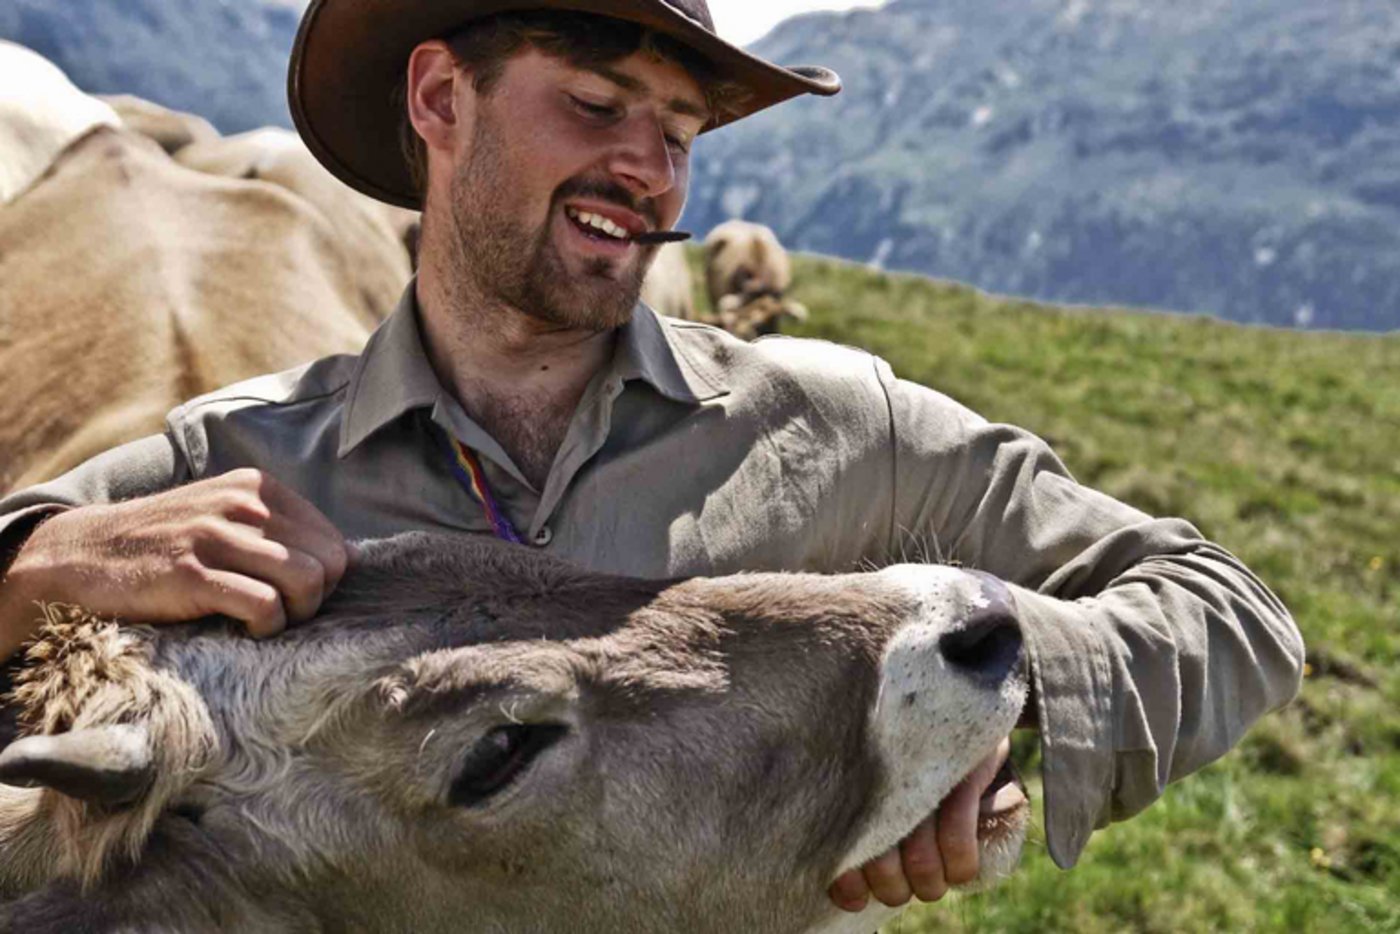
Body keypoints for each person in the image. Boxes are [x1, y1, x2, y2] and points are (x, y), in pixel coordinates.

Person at [0, 0, 1303, 917]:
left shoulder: (837, 426)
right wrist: (27, 557)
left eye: (680, 132)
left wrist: (1001, 719)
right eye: (596, 105)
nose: (648, 169)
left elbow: (1234, 610)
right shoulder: (230, 460)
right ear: (441, 99)